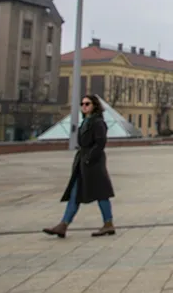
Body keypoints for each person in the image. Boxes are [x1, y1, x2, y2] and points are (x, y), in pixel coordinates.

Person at [43, 95, 115, 238]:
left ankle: (108, 224)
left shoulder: (97, 122)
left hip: (93, 163)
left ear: (94, 105)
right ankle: (64, 224)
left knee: (101, 193)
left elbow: (100, 143)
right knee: (76, 194)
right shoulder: (86, 122)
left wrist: (89, 158)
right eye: (82, 104)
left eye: (87, 103)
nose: (84, 106)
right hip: (84, 162)